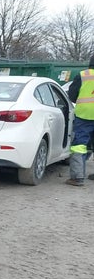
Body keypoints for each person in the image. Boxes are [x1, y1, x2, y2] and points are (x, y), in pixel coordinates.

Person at [65, 55, 94, 186]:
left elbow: (72, 95)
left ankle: (77, 177)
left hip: (85, 116)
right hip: (85, 116)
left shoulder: (83, 75)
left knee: (79, 146)